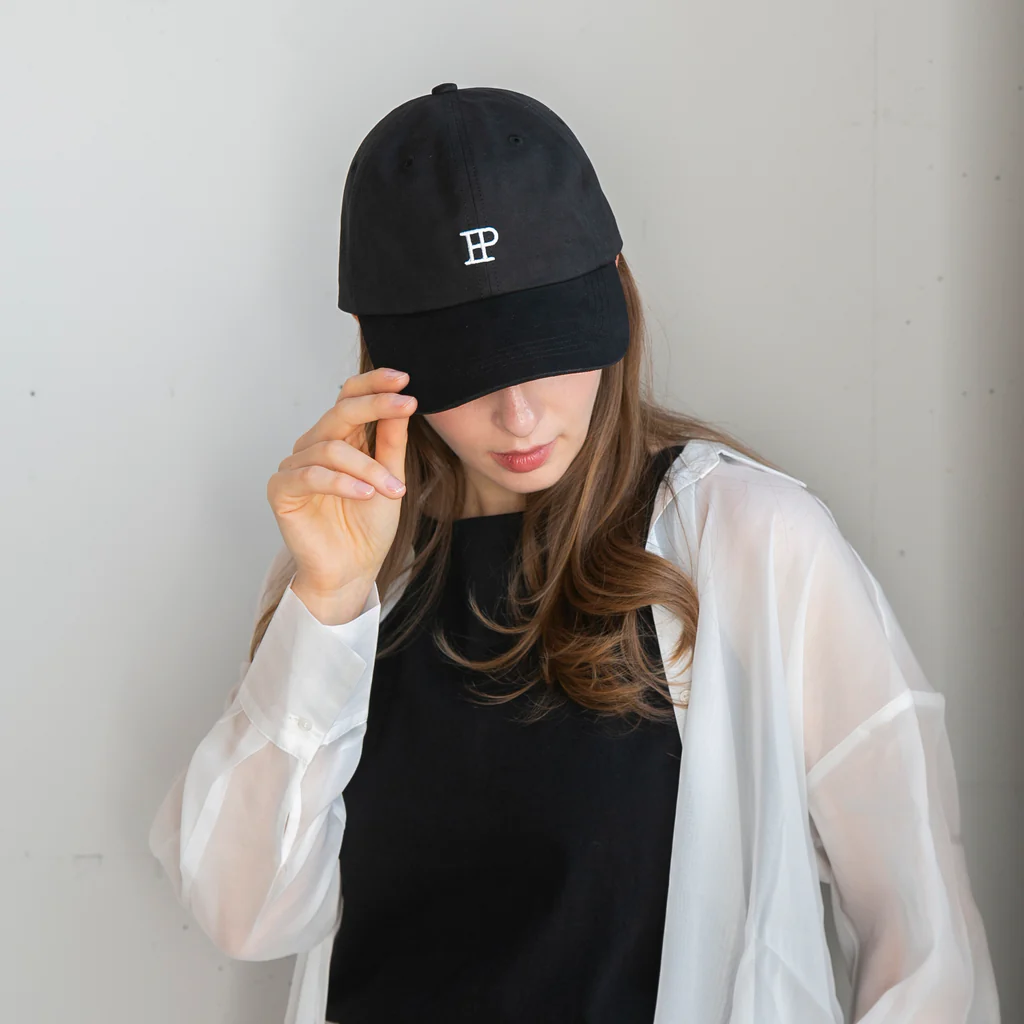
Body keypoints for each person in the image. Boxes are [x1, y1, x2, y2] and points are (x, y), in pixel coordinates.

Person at [148, 84, 1000, 1023]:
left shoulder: (747, 541)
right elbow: (245, 916)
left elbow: (922, 935)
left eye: (549, 347)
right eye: (469, 370)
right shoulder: (357, 564)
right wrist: (326, 605)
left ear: (614, 293)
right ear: (383, 359)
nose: (519, 415)